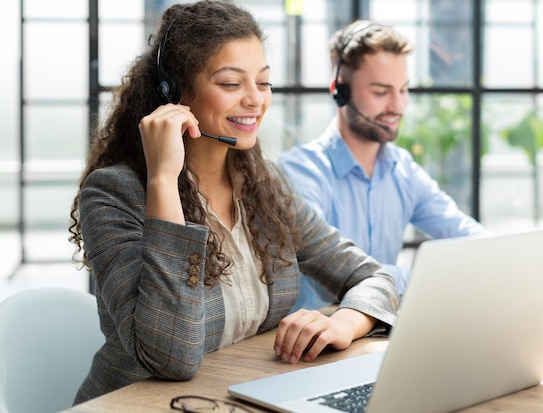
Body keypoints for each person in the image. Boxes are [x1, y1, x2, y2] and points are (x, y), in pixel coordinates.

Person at [67, 1, 398, 404]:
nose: (255, 100)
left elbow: (373, 277)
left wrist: (348, 321)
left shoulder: (263, 185)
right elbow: (171, 356)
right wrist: (163, 180)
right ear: (175, 92)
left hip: (235, 397)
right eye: (230, 84)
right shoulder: (114, 193)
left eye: (263, 82)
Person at [277, 20, 484, 311]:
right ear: (340, 91)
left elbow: (467, 236)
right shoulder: (300, 173)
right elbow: (338, 274)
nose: (398, 106)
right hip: (313, 340)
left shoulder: (403, 169)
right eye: (381, 92)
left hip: (376, 331)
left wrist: (507, 260)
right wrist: (429, 279)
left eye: (403, 90)